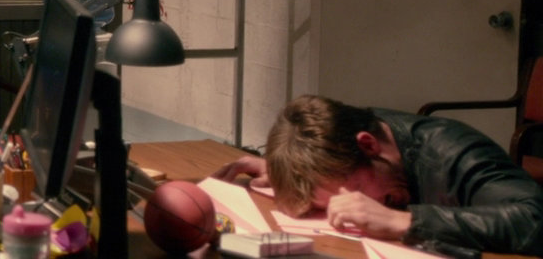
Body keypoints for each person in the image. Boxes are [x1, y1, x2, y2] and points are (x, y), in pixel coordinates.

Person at [211, 95, 543, 255]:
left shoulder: (454, 153)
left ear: (368, 145)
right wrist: (288, 170)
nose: (350, 210)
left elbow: (533, 220)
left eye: (352, 193)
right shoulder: (349, 134)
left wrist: (403, 221)